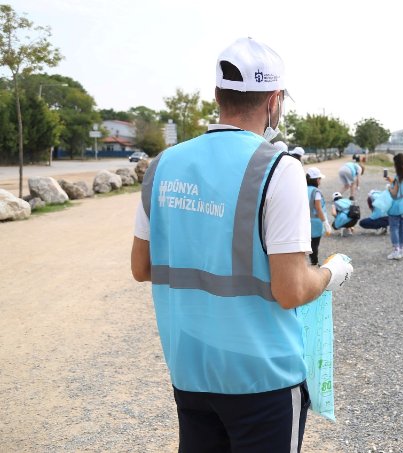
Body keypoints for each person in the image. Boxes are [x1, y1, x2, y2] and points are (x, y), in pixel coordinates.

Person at [130, 37, 353, 452]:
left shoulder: (163, 165)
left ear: (217, 94)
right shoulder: (278, 168)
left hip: (190, 369)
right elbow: (290, 290)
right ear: (274, 100)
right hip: (261, 378)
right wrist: (331, 272)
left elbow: (141, 266)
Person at [306, 167, 332, 264]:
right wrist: (325, 222)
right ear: (317, 179)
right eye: (319, 179)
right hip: (315, 222)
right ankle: (314, 264)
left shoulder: (302, 189)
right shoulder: (316, 192)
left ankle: (309, 264)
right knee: (314, 244)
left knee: (306, 243)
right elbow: (318, 208)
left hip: (304, 220)